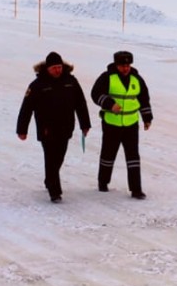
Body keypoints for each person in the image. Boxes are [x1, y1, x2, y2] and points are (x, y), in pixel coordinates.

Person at [16, 51, 92, 203]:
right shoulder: (37, 85)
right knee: (50, 158)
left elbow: (80, 104)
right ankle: (54, 191)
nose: (57, 70)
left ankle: (49, 179)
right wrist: (22, 129)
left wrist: (85, 124)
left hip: (66, 127)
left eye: (59, 67)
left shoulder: (71, 82)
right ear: (47, 69)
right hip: (47, 129)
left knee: (59, 157)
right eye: (54, 68)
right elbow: (26, 108)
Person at [90, 49, 154, 199]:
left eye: (128, 65)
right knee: (108, 154)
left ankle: (136, 189)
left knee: (133, 157)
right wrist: (109, 104)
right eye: (122, 66)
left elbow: (144, 98)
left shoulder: (137, 79)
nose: (125, 68)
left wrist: (147, 118)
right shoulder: (107, 78)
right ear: (116, 65)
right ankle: (103, 182)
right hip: (112, 124)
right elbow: (95, 94)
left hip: (131, 124)